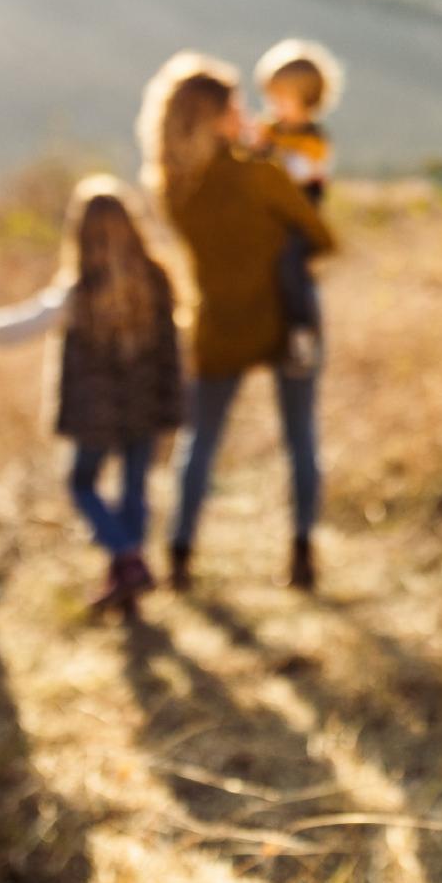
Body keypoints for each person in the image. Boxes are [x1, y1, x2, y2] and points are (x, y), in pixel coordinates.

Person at [138, 52, 336, 594]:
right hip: (286, 316)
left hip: (218, 321)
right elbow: (321, 234)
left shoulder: (171, 187)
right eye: (236, 105)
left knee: (198, 442)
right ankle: (301, 552)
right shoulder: (259, 175)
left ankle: (179, 554)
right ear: (218, 116)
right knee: (300, 437)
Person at [0, 176, 184, 617]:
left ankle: (127, 558)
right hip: (145, 406)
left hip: (95, 413)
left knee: (82, 483)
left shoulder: (79, 288)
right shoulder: (157, 279)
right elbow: (173, 351)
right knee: (133, 492)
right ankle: (127, 577)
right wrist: (173, 403)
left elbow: (23, 325)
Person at [252, 38, 344, 377]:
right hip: (269, 219)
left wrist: (267, 154)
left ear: (306, 99)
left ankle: (301, 331)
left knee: (291, 265)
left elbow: (300, 174)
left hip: (299, 222)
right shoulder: (270, 131)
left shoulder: (314, 140)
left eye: (280, 97)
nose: (272, 105)